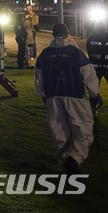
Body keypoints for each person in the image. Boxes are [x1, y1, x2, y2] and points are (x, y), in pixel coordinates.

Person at [35, 23, 103, 174]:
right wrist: (94, 94)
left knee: (59, 130)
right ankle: (73, 159)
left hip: (53, 97)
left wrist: (44, 95)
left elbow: (39, 79)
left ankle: (65, 162)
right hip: (75, 96)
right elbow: (88, 75)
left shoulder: (44, 54)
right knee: (82, 129)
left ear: (53, 35)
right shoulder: (75, 53)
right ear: (67, 34)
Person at [87, 21, 108, 86]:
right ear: (105, 28)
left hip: (95, 68)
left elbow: (89, 52)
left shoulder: (91, 39)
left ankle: (94, 96)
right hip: (106, 67)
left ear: (96, 28)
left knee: (93, 90)